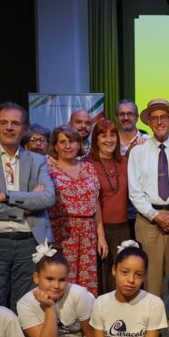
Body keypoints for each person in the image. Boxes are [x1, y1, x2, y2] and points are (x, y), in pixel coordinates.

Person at [0, 102, 56, 309]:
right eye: (3, 123)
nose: (9, 127)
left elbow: (48, 198)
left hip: (30, 242)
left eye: (15, 123)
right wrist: (21, 209)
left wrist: (5, 195)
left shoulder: (37, 161)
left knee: (26, 305)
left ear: (24, 129)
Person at [128, 98, 169, 297]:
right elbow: (134, 190)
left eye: (163, 117)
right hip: (148, 221)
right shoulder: (138, 152)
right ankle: (153, 327)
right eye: (154, 118)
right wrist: (155, 216)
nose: (159, 122)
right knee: (151, 280)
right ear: (148, 122)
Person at [48, 125, 107, 297]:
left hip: (88, 232)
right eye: (62, 142)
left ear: (78, 144)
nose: (68, 146)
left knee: (87, 283)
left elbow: (95, 202)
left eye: (72, 141)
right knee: (63, 279)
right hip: (61, 232)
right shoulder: (48, 168)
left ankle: (85, 322)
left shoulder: (88, 168)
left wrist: (101, 236)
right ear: (55, 146)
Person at [87, 119, 131, 294]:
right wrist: (101, 237)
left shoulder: (125, 162)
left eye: (112, 135)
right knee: (104, 279)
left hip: (124, 228)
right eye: (103, 135)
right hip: (100, 230)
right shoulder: (88, 164)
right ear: (96, 139)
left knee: (123, 277)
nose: (109, 139)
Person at [115, 99, 147, 239]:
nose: (126, 118)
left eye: (130, 114)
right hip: (116, 212)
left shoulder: (148, 141)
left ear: (137, 117)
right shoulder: (109, 141)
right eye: (122, 114)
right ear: (116, 117)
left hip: (143, 212)